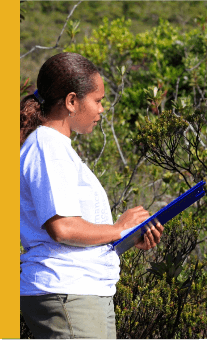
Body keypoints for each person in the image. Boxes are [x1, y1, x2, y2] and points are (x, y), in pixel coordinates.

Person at [20, 52, 164, 339]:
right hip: (69, 292)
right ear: (72, 101)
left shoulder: (55, 147)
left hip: (77, 292)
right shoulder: (49, 148)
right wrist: (117, 228)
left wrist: (127, 237)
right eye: (97, 101)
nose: (102, 109)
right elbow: (62, 228)